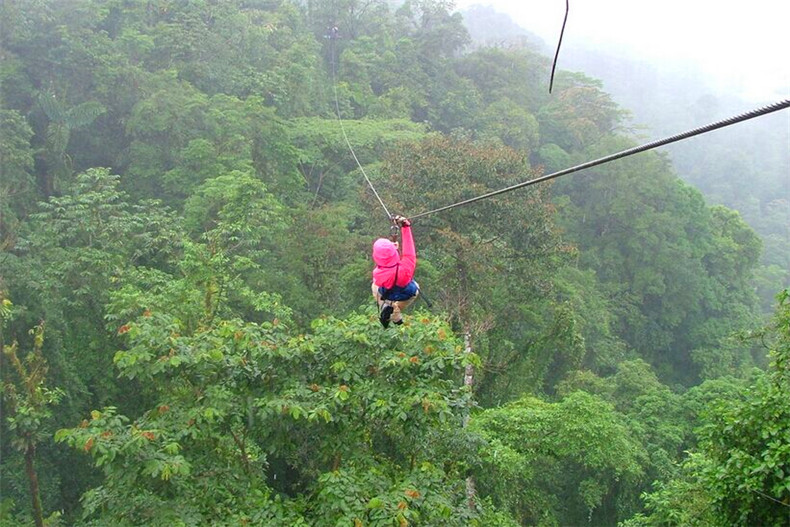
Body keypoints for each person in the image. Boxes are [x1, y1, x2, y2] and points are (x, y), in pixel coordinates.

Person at [371, 215, 419, 328]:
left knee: (374, 286)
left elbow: (383, 263)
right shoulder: (406, 268)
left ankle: (386, 306)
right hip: (406, 294)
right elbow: (409, 251)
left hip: (387, 293)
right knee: (416, 287)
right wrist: (406, 227)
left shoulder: (377, 274)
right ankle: (395, 314)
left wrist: (392, 250)